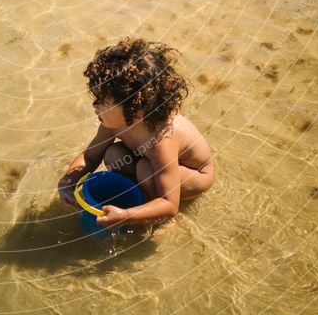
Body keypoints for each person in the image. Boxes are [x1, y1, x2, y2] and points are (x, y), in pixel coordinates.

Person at [58, 38, 214, 228]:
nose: (94, 105)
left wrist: (127, 215)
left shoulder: (161, 140)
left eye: (103, 101)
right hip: (151, 163)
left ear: (137, 111)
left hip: (194, 174)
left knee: (145, 170)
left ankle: (160, 221)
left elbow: (169, 202)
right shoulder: (113, 123)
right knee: (113, 154)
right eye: (96, 97)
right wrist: (68, 182)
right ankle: (141, 196)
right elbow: (90, 156)